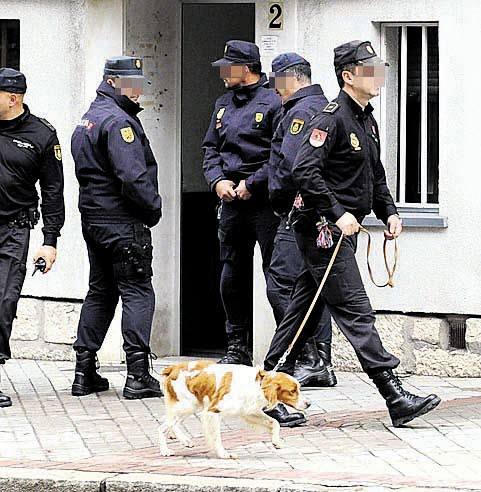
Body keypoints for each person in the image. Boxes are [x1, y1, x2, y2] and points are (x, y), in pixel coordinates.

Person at [263, 41, 441, 427]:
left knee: (302, 313)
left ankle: (268, 392)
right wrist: (338, 212)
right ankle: (393, 393)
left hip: (343, 229)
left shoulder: (366, 120)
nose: (378, 75)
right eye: (369, 68)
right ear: (348, 76)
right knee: (356, 310)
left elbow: (373, 173)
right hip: (322, 229)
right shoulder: (330, 119)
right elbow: (304, 172)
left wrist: (389, 212)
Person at [202, 40, 305, 427]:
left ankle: (292, 351)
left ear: (247, 67)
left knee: (277, 278)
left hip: (264, 202)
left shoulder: (274, 101)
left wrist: (252, 182)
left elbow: (280, 156)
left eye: (228, 67)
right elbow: (210, 149)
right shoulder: (222, 104)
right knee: (231, 273)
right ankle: (236, 345)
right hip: (231, 201)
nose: (222, 73)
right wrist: (217, 182)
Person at [71, 56, 163, 400]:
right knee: (138, 291)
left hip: (94, 221)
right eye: (131, 83)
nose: (137, 90)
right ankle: (138, 375)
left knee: (101, 291)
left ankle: (84, 371)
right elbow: (132, 177)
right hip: (123, 223)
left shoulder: (89, 118)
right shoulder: (118, 122)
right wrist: (152, 208)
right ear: (112, 81)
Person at [267, 53, 337, 389]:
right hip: (314, 211)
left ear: (292, 78)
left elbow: (292, 166)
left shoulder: (302, 112)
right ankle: (314, 358)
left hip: (300, 212)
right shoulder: (319, 107)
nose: (275, 89)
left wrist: (280, 202)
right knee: (311, 285)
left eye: (277, 82)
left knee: (283, 284)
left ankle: (308, 356)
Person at [0, 68, 65, 407]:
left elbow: (53, 190)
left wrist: (50, 240)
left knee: (3, 301)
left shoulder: (41, 134)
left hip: (13, 229)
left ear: (13, 98)